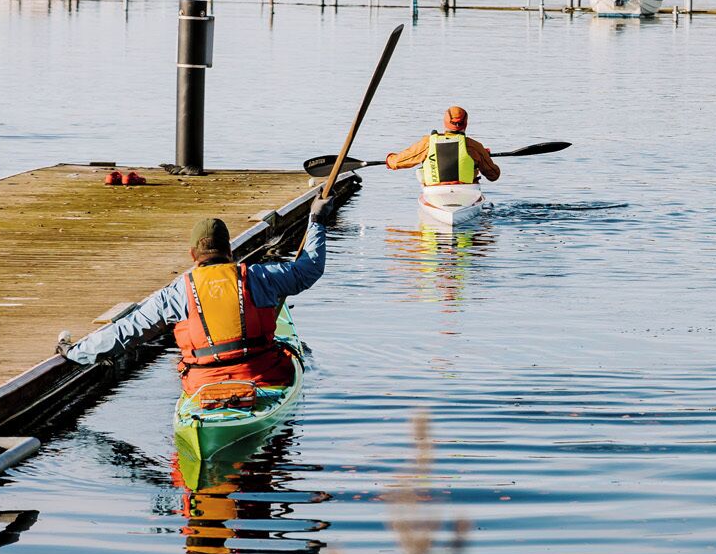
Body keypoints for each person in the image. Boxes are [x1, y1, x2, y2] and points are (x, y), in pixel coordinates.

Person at [60, 211, 330, 394]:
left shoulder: (176, 292)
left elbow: (125, 332)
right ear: (229, 251)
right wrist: (317, 220)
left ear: (192, 255)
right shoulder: (259, 276)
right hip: (263, 379)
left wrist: (74, 352)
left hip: (203, 386)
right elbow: (308, 270)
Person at [386, 105, 501, 185]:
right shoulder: (474, 147)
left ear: (445, 122)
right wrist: (482, 158)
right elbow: (493, 175)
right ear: (466, 123)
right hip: (466, 194)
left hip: (435, 193)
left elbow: (396, 162)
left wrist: (389, 160)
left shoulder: (428, 143)